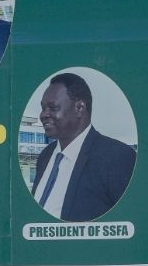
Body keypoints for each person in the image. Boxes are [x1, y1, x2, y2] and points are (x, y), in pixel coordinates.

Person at [31, 73, 136, 221]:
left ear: (79, 107)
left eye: (53, 107)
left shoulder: (116, 156)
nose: (43, 115)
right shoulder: (45, 156)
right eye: (43, 108)